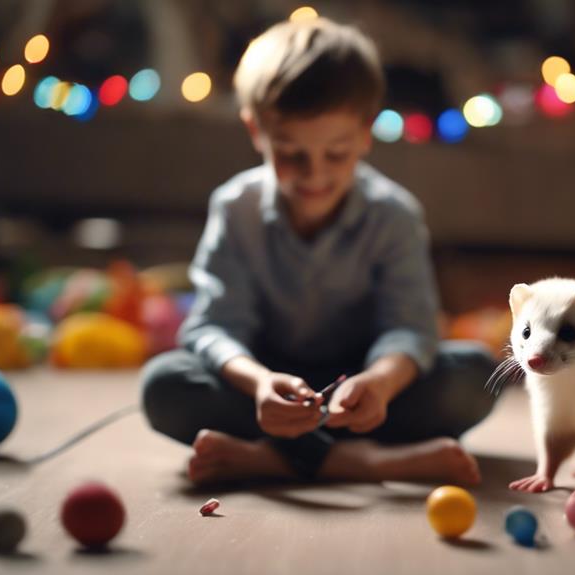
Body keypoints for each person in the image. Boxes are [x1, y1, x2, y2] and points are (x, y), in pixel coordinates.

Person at [141, 17, 496, 485]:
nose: (314, 175)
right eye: (291, 154)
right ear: (255, 130)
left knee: (473, 374)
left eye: (336, 154)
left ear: (367, 132)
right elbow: (215, 326)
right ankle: (362, 463)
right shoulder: (235, 208)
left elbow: (409, 327)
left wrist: (381, 383)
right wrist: (261, 383)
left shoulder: (394, 215)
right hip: (268, 390)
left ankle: (267, 459)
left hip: (363, 391)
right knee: (165, 385)